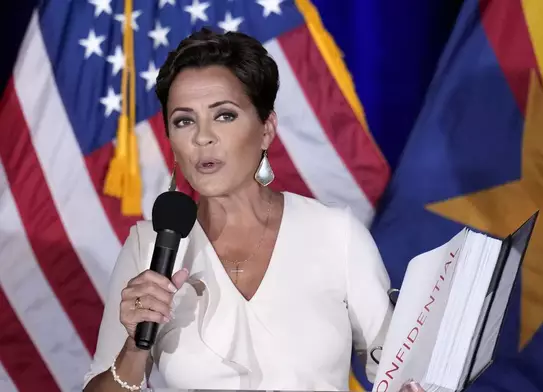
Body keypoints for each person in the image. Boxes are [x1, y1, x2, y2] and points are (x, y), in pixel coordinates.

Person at [83, 27, 393, 391]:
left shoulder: (335, 233)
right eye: (184, 120)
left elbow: (399, 370)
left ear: (266, 129)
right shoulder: (147, 246)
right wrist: (135, 346)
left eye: (224, 115)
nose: (202, 137)